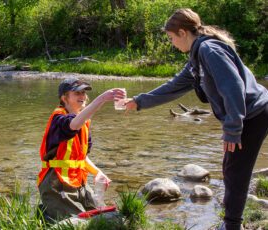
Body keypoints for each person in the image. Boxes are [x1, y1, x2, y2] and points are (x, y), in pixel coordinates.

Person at [125, 8, 268, 230]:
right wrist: (139, 101)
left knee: (235, 171)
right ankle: (231, 222)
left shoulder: (209, 50)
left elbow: (233, 87)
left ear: (183, 32)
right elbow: (174, 87)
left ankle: (231, 225)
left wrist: (232, 128)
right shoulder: (197, 57)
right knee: (231, 168)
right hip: (248, 113)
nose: (172, 43)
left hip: (254, 113)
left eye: (172, 38)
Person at [37, 78, 125, 221]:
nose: (82, 96)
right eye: (77, 93)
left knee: (100, 215)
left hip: (78, 182)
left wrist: (97, 172)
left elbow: (81, 158)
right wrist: (102, 98)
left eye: (84, 93)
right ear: (64, 98)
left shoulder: (83, 122)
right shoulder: (59, 118)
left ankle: (46, 215)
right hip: (56, 182)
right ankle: (47, 213)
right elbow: (73, 125)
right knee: (77, 222)